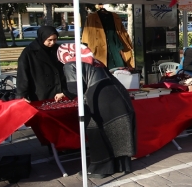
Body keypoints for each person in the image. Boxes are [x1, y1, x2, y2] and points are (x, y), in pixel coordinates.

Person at [57, 44, 136, 178]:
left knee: (97, 133)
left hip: (99, 98)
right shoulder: (95, 60)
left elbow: (76, 88)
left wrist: (64, 93)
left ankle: (101, 169)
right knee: (117, 130)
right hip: (118, 95)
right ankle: (121, 165)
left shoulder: (70, 64)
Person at [16, 26, 73, 102]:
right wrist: (22, 95)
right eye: (49, 40)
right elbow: (23, 75)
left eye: (55, 39)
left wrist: (67, 91)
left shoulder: (59, 49)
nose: (52, 42)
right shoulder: (29, 52)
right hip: (40, 93)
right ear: (42, 38)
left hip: (59, 91)